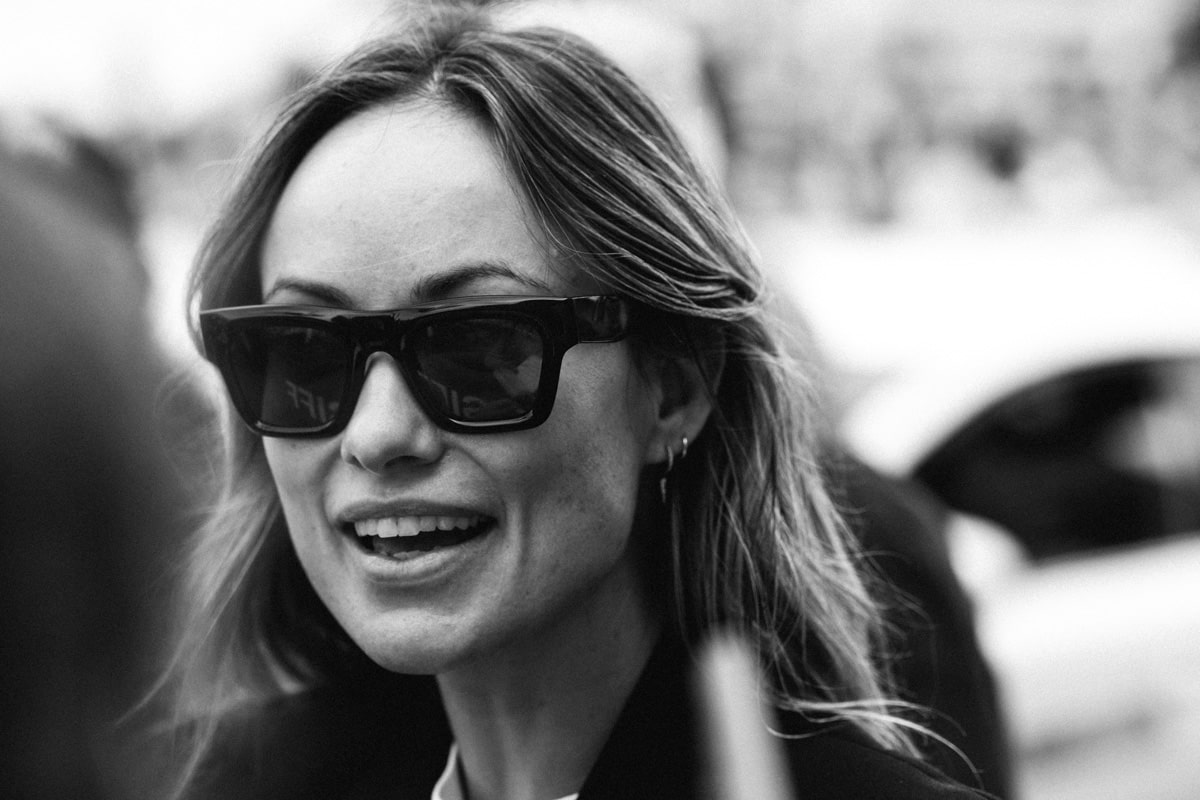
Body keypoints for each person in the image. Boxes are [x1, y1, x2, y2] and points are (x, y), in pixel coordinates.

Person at [162, 4, 993, 799]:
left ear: (674, 388)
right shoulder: (228, 783)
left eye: (480, 347)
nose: (377, 434)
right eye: (304, 351)